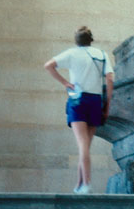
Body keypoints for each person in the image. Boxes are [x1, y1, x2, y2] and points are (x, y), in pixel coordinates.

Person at [44, 26, 113, 194]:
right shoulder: (102, 55)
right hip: (95, 101)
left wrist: (65, 83)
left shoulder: (71, 53)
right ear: (91, 39)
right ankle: (79, 183)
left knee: (82, 146)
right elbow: (110, 80)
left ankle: (86, 183)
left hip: (77, 100)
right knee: (86, 146)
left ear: (76, 41)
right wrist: (107, 105)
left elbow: (48, 65)